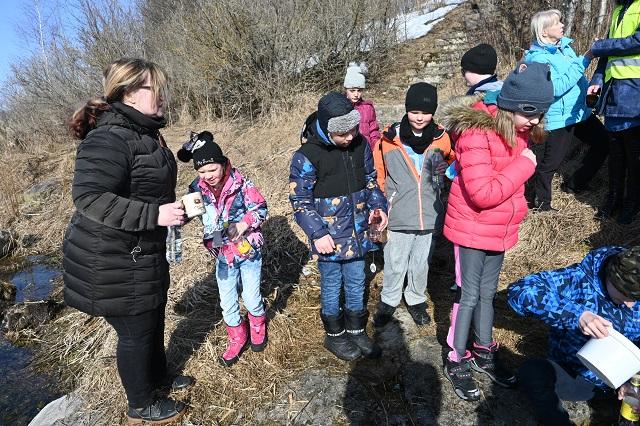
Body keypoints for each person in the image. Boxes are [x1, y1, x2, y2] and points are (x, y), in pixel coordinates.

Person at [64, 58, 190, 424]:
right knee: (136, 332)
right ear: (129, 94)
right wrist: (155, 215)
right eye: (155, 89)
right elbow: (88, 197)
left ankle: (159, 377)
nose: (163, 96)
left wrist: (170, 212)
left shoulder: (143, 132)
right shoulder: (109, 138)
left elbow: (144, 188)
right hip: (111, 259)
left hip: (140, 250)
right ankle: (141, 404)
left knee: (152, 316)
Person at [439, 62, 554, 401]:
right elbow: (482, 193)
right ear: (510, 106)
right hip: (471, 227)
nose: (535, 121)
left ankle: (483, 350)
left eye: (540, 114)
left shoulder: (517, 131)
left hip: (498, 227)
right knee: (468, 295)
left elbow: (506, 185)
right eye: (530, 113)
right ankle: (456, 358)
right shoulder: (477, 133)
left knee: (487, 294)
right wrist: (525, 166)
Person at [289, 91, 388, 361]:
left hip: (358, 233)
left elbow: (371, 181)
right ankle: (334, 335)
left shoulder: (361, 144)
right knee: (332, 285)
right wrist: (317, 233)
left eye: (353, 130)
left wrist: (378, 207)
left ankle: (356, 330)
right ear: (327, 129)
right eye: (342, 134)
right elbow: (300, 201)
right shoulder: (307, 155)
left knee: (357, 282)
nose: (350, 137)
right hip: (329, 238)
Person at [508, 245, 640, 425]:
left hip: (628, 383)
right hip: (578, 377)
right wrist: (576, 315)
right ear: (611, 277)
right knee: (533, 372)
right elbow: (520, 291)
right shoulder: (579, 280)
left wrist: (633, 381)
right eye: (625, 296)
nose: (630, 305)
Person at [177, 130, 268, 367]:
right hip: (222, 253)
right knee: (227, 301)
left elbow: (260, 208)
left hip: (248, 251)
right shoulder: (197, 189)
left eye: (212, 169)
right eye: (202, 171)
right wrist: (178, 216)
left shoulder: (241, 183)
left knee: (251, 297)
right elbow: (190, 213)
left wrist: (244, 224)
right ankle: (237, 337)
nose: (208, 176)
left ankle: (257, 325)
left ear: (223, 164)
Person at [371, 82, 454, 327]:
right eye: (414, 111)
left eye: (425, 112)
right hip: (398, 213)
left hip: (429, 213)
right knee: (395, 261)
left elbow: (451, 164)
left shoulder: (442, 138)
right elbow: (379, 174)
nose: (419, 117)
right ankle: (389, 299)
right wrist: (382, 204)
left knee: (421, 263)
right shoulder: (389, 140)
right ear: (407, 110)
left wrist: (442, 188)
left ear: (433, 112)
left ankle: (416, 298)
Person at [525, 9, 609, 212]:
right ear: (544, 32)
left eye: (561, 21)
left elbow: (575, 76)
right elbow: (556, 88)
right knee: (551, 164)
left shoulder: (564, 48)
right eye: (557, 23)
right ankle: (542, 204)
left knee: (604, 143)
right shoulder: (537, 59)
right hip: (559, 117)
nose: (562, 25)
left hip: (579, 111)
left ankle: (575, 184)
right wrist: (587, 57)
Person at [589, 0, 640, 224]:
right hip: (613, 90)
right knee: (616, 152)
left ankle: (632, 202)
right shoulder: (619, 9)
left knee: (634, 154)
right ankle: (614, 199)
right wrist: (597, 79)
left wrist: (599, 46)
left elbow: (636, 41)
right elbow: (607, 54)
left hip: (635, 91)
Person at [343, 62, 381, 150]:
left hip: (366, 150)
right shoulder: (339, 106)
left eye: (359, 90)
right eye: (352, 90)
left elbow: (374, 131)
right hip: (347, 151)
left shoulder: (368, 108)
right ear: (346, 89)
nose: (356, 94)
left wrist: (376, 147)